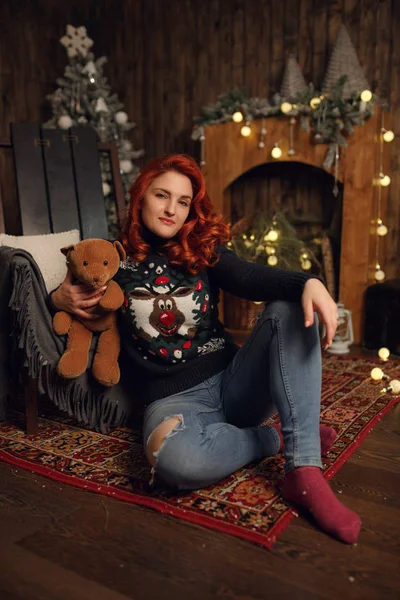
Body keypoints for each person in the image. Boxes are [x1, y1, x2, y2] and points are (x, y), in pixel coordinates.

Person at [51, 154, 361, 544]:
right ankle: (274, 439)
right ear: (140, 196)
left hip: (235, 382)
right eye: (162, 195)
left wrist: (307, 282)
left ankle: (304, 469)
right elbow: (74, 291)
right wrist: (58, 299)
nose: (171, 209)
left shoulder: (199, 248)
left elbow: (248, 276)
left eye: (182, 201)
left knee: (289, 307)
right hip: (172, 401)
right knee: (177, 463)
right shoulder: (112, 260)